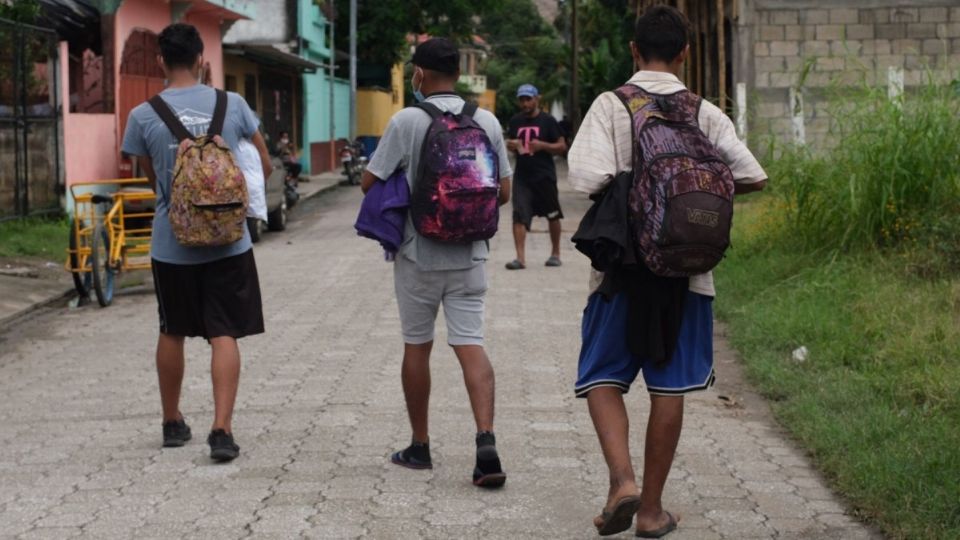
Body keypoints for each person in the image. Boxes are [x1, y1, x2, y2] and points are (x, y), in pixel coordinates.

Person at [567, 6, 768, 537]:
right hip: (688, 273)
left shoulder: (613, 105)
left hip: (621, 269)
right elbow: (753, 175)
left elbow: (586, 175)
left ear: (634, 50)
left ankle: (622, 482)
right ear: (684, 54)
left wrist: (636, 192)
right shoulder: (705, 112)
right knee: (669, 388)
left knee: (602, 376)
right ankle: (652, 511)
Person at [360, 37, 513, 488]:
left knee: (417, 345)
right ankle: (486, 442)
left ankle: (420, 445)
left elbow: (370, 180)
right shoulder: (485, 120)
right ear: (459, 74)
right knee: (471, 343)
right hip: (471, 255)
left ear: (420, 76)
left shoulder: (406, 120)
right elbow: (504, 191)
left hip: (418, 254)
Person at [121, 23, 272, 462]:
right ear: (202, 60)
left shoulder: (144, 114)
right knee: (224, 332)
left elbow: (150, 179)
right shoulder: (234, 104)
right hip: (230, 241)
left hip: (172, 245)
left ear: (160, 62)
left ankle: (172, 421)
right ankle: (221, 430)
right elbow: (262, 161)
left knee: (172, 330)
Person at [504, 83, 567, 270]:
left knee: (553, 214)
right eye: (521, 100)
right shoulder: (515, 121)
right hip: (522, 175)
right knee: (519, 215)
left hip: (544, 175)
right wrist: (512, 145)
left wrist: (543, 146)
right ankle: (520, 258)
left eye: (528, 99)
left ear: (536, 99)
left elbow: (562, 146)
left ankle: (555, 253)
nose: (525, 103)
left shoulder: (548, 121)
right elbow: (511, 143)